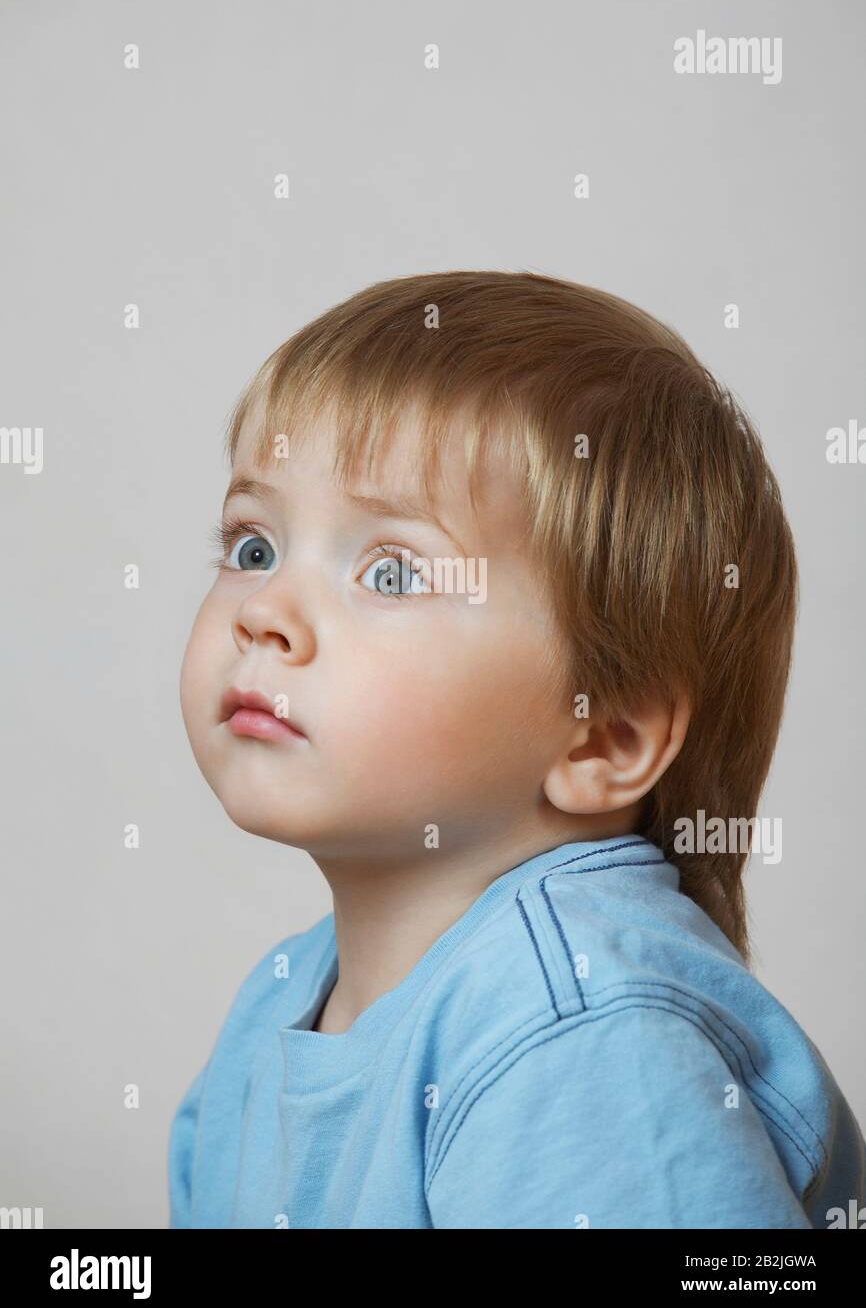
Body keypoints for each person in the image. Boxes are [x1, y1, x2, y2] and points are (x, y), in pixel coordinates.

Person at [168, 270, 865, 1228]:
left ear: (605, 735)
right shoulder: (280, 1001)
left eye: (392, 571)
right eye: (254, 547)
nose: (266, 613)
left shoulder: (580, 1041)